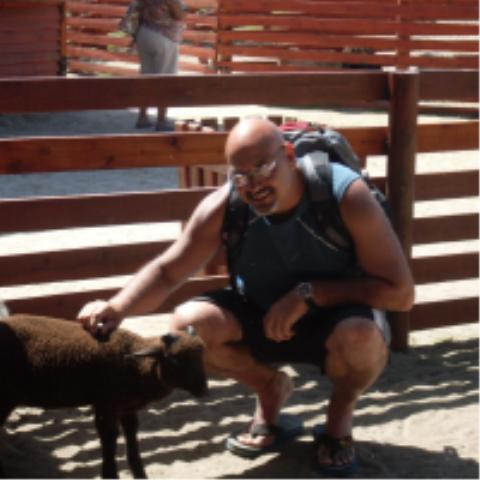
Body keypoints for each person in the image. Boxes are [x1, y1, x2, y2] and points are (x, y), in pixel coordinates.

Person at [77, 118, 414, 475]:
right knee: (187, 329)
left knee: (361, 338)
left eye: (263, 168)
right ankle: (270, 389)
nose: (254, 185)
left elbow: (401, 293)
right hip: (261, 314)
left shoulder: (344, 195)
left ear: (289, 155)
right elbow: (168, 271)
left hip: (338, 321)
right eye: (241, 175)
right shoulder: (228, 204)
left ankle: (338, 420)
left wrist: (309, 294)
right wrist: (117, 306)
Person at [133, 0, 186, 130]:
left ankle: (142, 117)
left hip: (144, 33)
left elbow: (136, 9)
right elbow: (180, 15)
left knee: (146, 76)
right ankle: (161, 121)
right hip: (164, 36)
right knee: (165, 79)